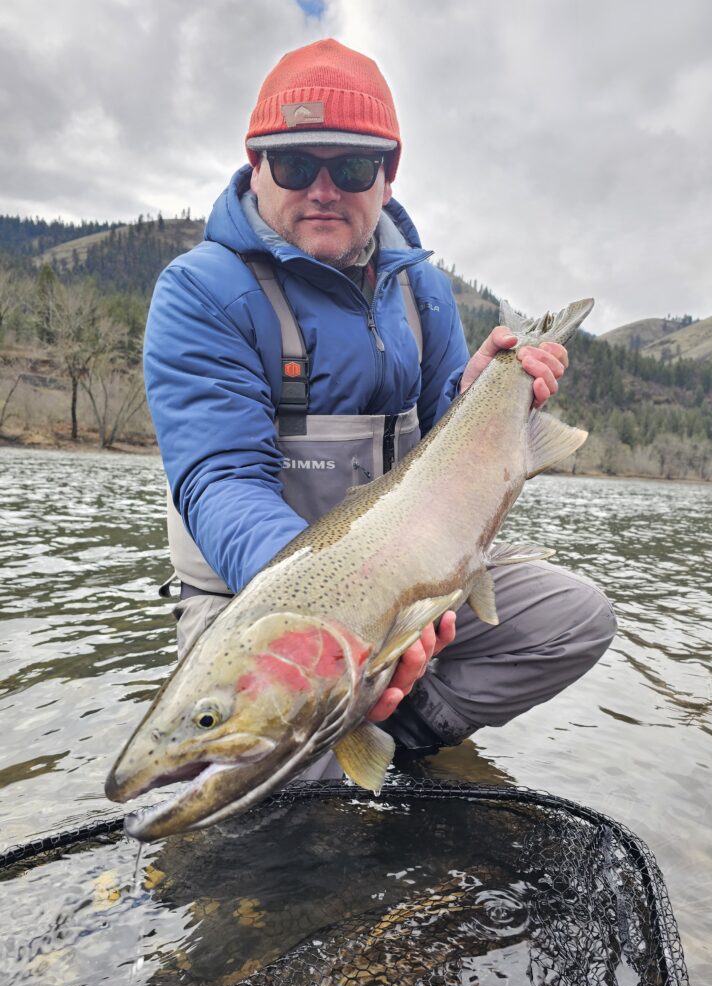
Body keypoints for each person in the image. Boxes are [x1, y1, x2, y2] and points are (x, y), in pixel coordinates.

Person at [144, 38, 616, 776]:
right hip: (259, 600)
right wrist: (337, 624)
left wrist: (478, 399)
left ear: (387, 177)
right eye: (297, 165)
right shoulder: (199, 292)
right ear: (257, 163)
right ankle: (337, 741)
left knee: (575, 618)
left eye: (353, 167)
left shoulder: (419, 292)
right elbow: (220, 479)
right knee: (245, 778)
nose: (323, 189)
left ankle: (395, 729)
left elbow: (438, 448)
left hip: (407, 583)